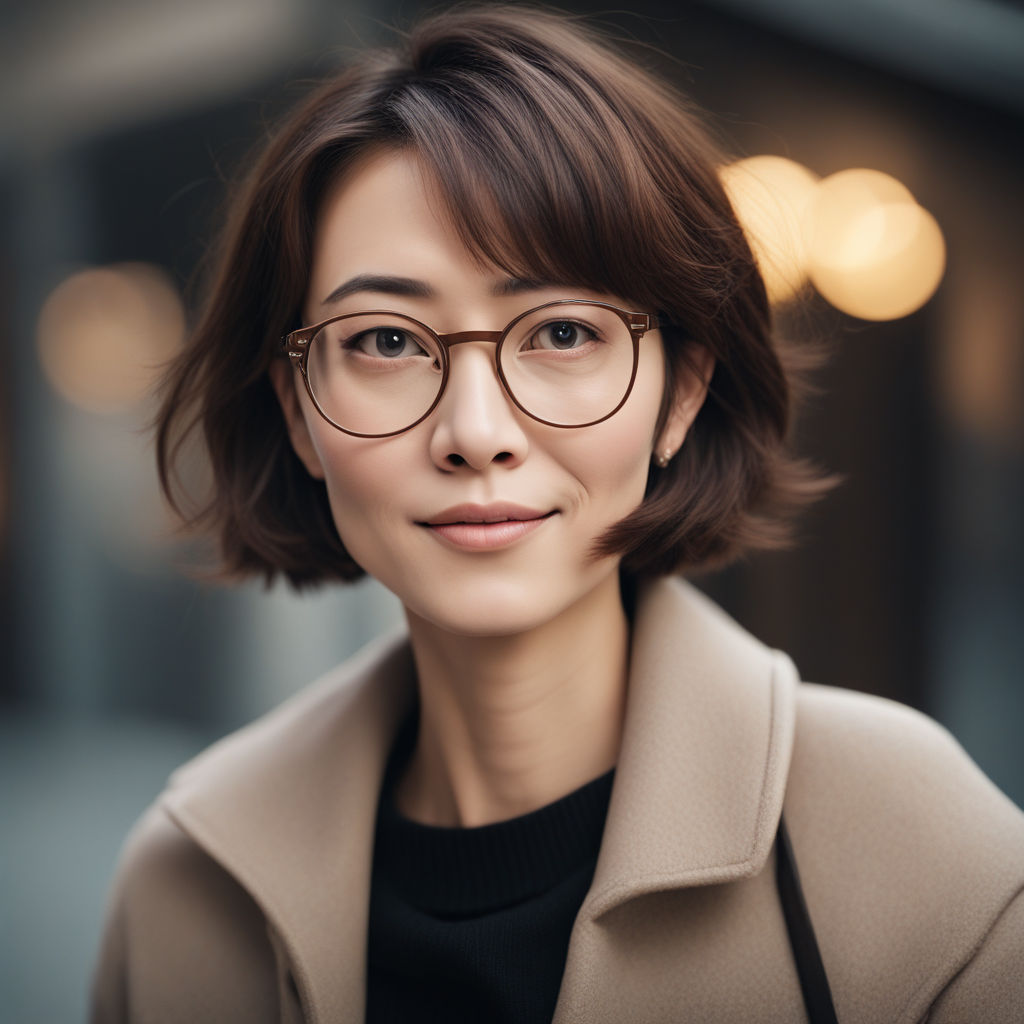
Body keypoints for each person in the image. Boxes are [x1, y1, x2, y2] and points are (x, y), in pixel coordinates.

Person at [90, 5, 1024, 1023]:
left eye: (564, 331)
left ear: (680, 393)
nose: (476, 431)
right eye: (387, 343)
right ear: (297, 410)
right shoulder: (190, 882)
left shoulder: (911, 848)